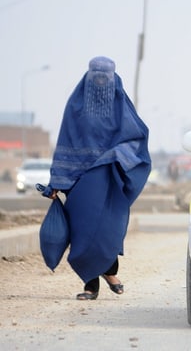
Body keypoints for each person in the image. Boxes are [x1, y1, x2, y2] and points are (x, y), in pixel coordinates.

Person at [41, 56, 151, 300]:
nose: (101, 81)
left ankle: (110, 272)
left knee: (108, 231)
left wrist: (115, 155)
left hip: (110, 178)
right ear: (88, 76)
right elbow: (65, 141)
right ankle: (91, 286)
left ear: (113, 77)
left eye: (106, 76)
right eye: (96, 75)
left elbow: (137, 137)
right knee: (83, 234)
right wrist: (56, 182)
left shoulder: (120, 104)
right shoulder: (75, 106)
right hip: (79, 181)